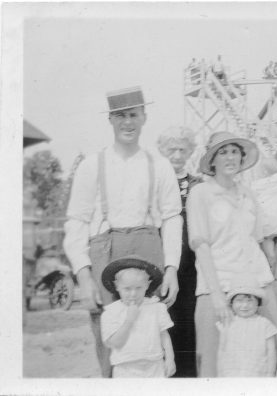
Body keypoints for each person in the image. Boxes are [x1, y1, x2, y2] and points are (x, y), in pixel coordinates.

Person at [63, 87, 182, 377]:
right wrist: (83, 274)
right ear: (110, 120)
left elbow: (172, 218)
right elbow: (76, 220)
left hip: (149, 252)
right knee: (109, 336)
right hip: (105, 251)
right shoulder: (92, 165)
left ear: (144, 117)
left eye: (133, 115)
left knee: (151, 332)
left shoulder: (161, 165)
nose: (127, 122)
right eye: (120, 116)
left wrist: (171, 269)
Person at [186, 131, 277, 377]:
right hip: (220, 285)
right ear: (212, 161)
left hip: (258, 283)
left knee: (273, 355)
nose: (230, 158)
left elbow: (261, 239)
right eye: (223, 152)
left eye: (234, 152)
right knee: (214, 363)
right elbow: (201, 245)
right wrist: (218, 296)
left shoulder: (249, 193)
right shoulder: (200, 194)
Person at [156, 126, 200, 377]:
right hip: (164, 260)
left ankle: (188, 376)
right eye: (171, 149)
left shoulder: (198, 184)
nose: (177, 155)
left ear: (190, 151)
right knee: (164, 318)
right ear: (162, 151)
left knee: (188, 319)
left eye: (182, 149)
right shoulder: (157, 183)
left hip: (192, 264)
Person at [100, 255, 175, 378]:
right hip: (125, 368)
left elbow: (164, 336)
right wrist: (129, 321)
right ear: (117, 287)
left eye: (138, 288)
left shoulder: (155, 307)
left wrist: (170, 359)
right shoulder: (111, 312)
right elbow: (114, 343)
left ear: (147, 285)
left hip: (154, 366)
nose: (133, 294)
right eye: (127, 289)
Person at [216, 283, 277, 377]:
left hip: (257, 372)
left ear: (258, 303)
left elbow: (271, 351)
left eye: (250, 301)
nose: (244, 305)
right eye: (239, 301)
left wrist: (270, 373)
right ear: (232, 303)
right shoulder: (227, 323)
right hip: (231, 373)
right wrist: (220, 373)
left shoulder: (264, 324)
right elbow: (221, 350)